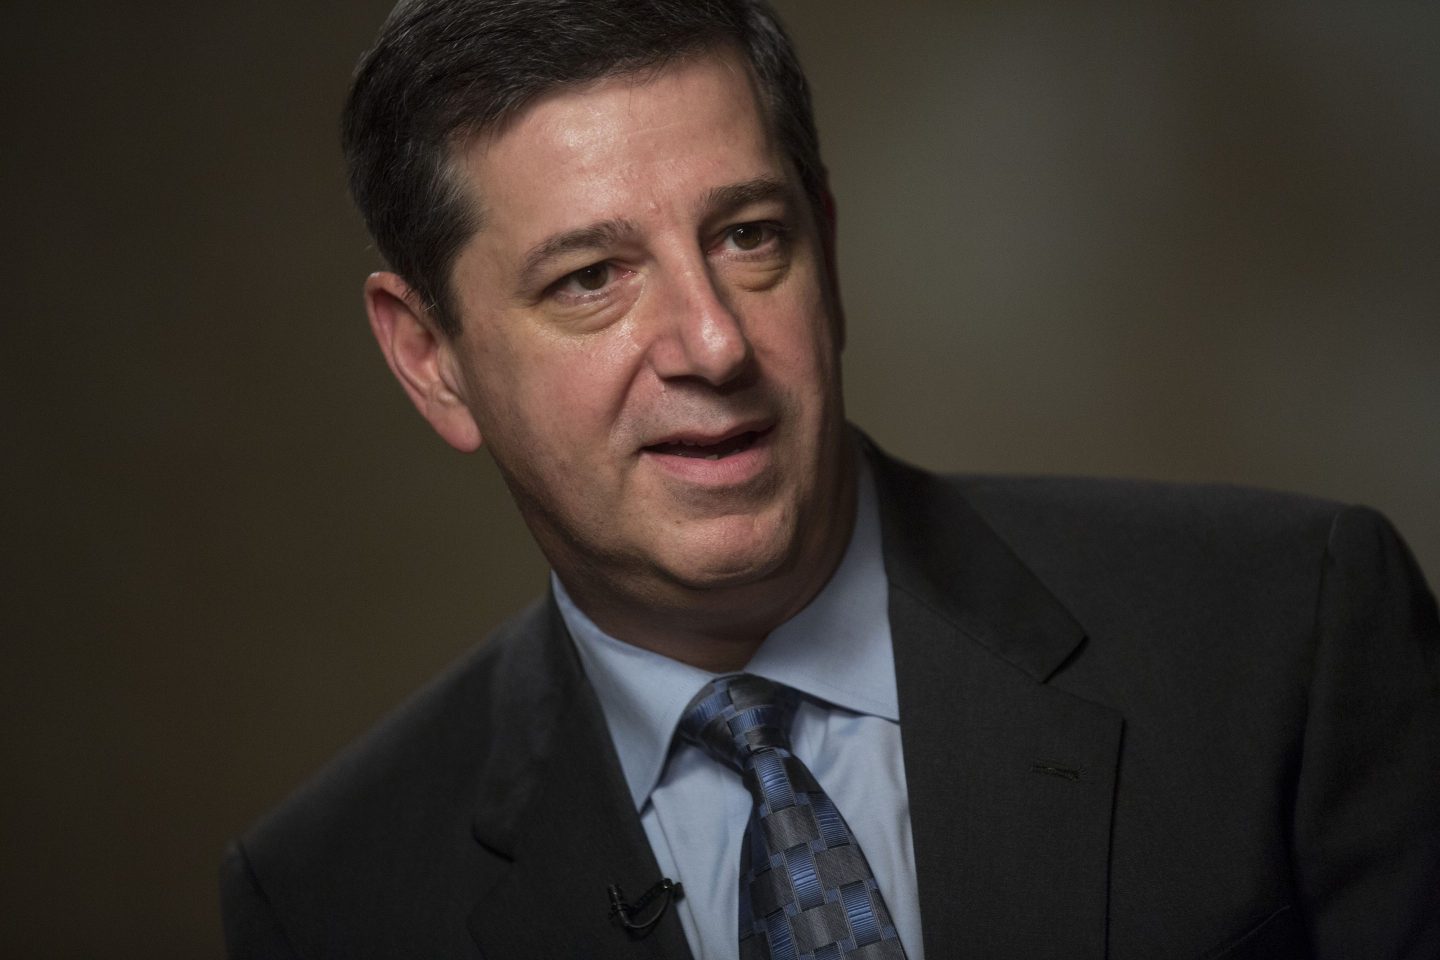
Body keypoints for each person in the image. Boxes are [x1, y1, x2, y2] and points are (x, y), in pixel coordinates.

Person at [220, 1, 1440, 957]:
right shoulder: (327, 898)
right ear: (430, 360)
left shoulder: (1289, 629)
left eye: (749, 236)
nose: (713, 344)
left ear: (829, 249)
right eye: (590, 278)